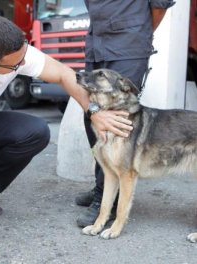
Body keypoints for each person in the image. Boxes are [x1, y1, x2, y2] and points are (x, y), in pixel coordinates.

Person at [0, 16, 133, 261]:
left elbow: (62, 73)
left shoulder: (12, 51)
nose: (24, 64)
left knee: (35, 132)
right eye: (16, 66)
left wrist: (94, 111)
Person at [75, 0, 176, 228]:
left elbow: (160, 4)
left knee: (118, 119)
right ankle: (103, 184)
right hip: (96, 44)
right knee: (92, 114)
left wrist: (139, 36)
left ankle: (107, 199)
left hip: (128, 45)